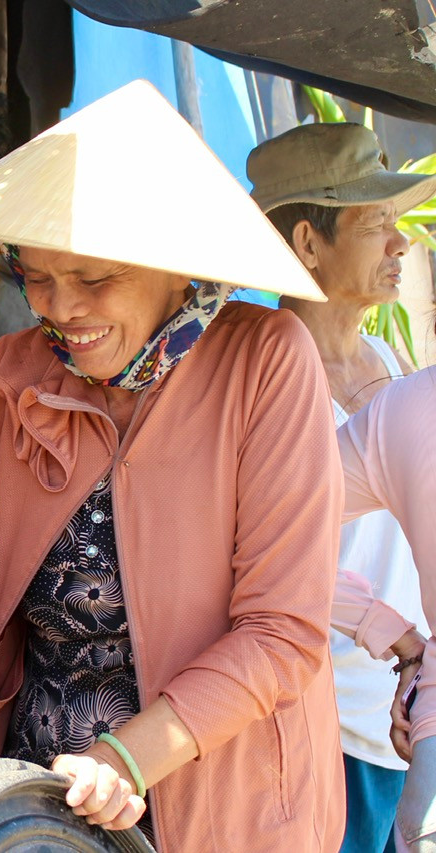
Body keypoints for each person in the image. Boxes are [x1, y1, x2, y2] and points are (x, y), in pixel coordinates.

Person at [0, 80, 346, 850]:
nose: (62, 308)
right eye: (38, 276)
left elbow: (281, 633)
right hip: (46, 821)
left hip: (233, 815)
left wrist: (130, 755)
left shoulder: (266, 361)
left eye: (94, 279)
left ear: (178, 266)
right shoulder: (14, 376)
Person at [247, 121, 436, 853]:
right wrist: (390, 632)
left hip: (401, 714)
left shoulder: (392, 361)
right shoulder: (263, 380)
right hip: (315, 724)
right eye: (377, 224)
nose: (401, 245)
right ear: (307, 243)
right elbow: (262, 545)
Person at [336, 368, 436, 850]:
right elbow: (265, 525)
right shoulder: (411, 404)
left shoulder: (409, 400)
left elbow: (269, 523)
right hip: (350, 713)